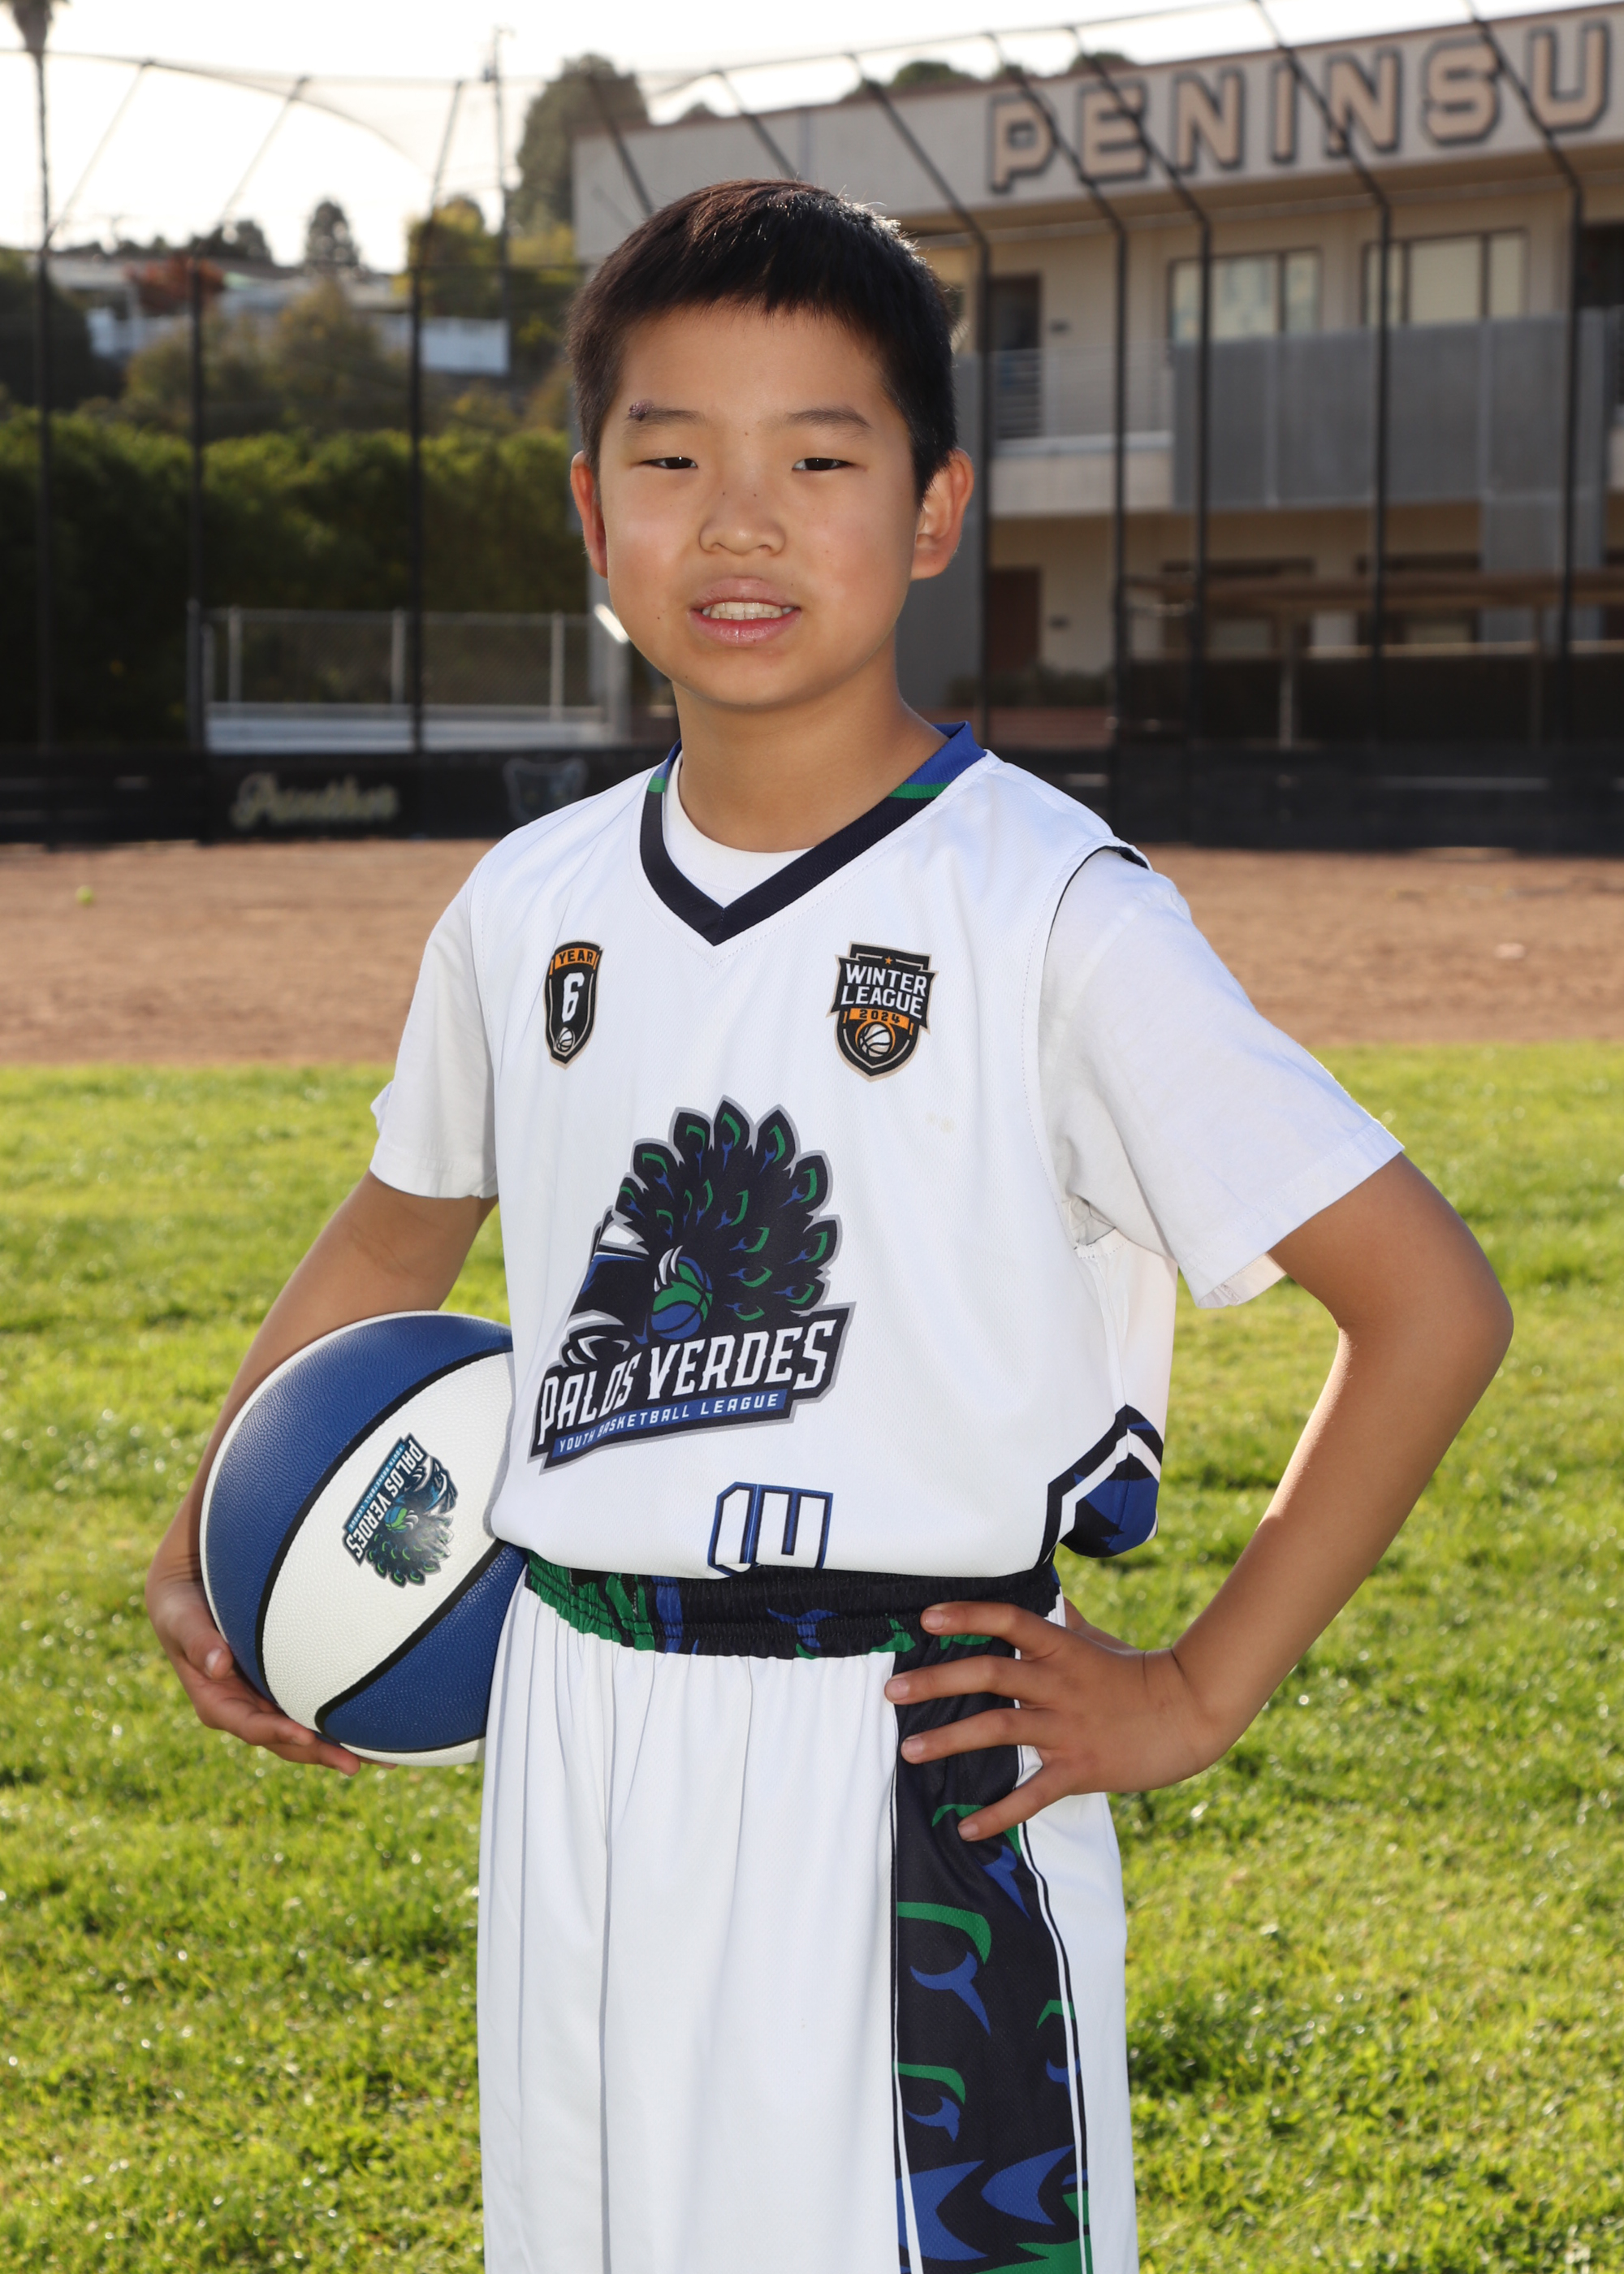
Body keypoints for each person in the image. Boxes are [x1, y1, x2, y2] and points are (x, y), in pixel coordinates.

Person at [147, 180, 1512, 2274]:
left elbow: (1428, 1303)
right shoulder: (527, 908)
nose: (742, 522)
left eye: (818, 460)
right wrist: (216, 1528)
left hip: (899, 1767)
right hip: (576, 1729)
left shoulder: (1051, 912)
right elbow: (397, 1234)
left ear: (937, 509)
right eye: (672, 460)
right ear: (591, 517)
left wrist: (1195, 1691)